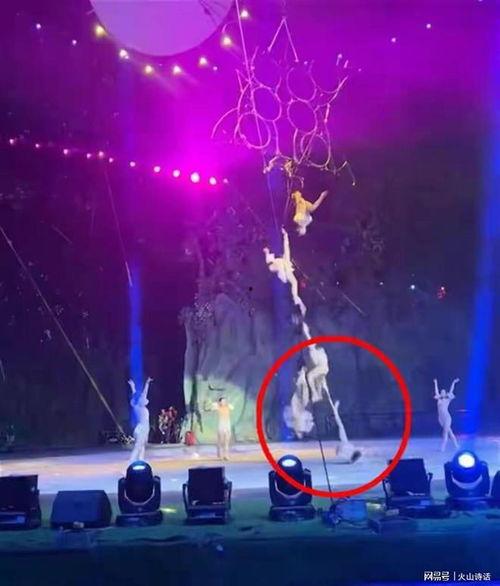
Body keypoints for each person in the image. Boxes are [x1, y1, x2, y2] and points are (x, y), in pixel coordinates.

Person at [263, 227, 306, 315]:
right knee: (294, 282)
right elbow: (271, 265)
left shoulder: (284, 260)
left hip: (285, 270)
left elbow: (286, 247)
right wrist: (267, 253)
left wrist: (285, 235)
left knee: (294, 283)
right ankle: (297, 301)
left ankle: (297, 301)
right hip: (283, 270)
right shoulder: (279, 261)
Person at [128, 377, 153, 463]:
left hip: (145, 427)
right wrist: (132, 387)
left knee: (142, 445)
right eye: (141, 398)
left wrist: (147, 383)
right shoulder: (137, 407)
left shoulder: (141, 406)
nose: (143, 398)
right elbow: (137, 395)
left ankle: (141, 459)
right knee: (138, 445)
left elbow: (144, 393)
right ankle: (131, 460)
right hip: (141, 428)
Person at [434, 377, 459, 451]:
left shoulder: (447, 399)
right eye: (441, 392)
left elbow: (451, 390)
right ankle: (456, 445)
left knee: (445, 432)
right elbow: (436, 391)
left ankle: (442, 447)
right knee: (450, 432)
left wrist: (453, 383)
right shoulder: (439, 398)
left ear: (445, 393)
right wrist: (435, 383)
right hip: (441, 418)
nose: (442, 393)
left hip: (447, 417)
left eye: (443, 392)